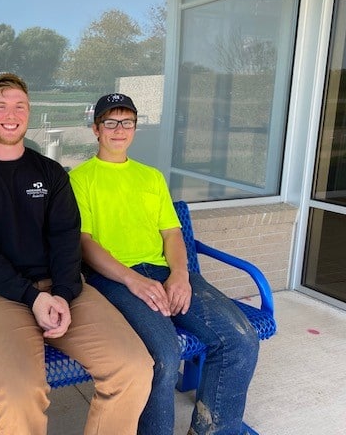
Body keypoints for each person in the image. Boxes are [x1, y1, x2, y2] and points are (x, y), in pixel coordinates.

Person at [0, 73, 154, 435]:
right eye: (1, 105)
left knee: (133, 367)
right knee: (18, 394)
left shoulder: (51, 173)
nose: (11, 113)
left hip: (63, 289)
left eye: (20, 105)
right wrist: (32, 297)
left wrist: (64, 293)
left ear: (29, 113)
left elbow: (66, 239)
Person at [69, 93, 260, 435]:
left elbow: (173, 234)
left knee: (241, 338)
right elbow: (85, 244)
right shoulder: (79, 178)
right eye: (110, 122)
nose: (119, 129)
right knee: (165, 356)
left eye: (127, 122)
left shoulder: (151, 177)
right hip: (113, 278)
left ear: (135, 129)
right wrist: (133, 281)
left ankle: (212, 430)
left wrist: (181, 276)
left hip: (162, 272)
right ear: (96, 129)